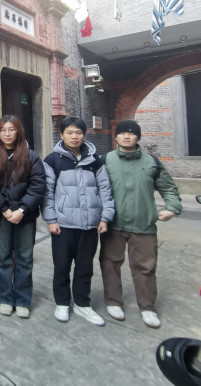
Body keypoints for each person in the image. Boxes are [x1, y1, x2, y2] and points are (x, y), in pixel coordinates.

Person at [100, 119, 182, 328]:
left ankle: (147, 307)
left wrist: (172, 208)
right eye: (122, 133)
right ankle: (113, 301)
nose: (127, 136)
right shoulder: (105, 160)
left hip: (143, 224)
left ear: (138, 137)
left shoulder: (152, 162)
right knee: (110, 264)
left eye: (132, 133)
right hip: (113, 224)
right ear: (116, 136)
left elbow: (168, 188)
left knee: (145, 268)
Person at [42, 117, 115, 326]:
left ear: (84, 135)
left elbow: (105, 189)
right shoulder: (53, 160)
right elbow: (47, 193)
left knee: (85, 267)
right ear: (61, 134)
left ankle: (82, 304)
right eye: (70, 132)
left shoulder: (94, 160)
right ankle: (62, 302)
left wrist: (105, 217)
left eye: (78, 133)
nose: (74, 137)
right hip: (63, 225)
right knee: (61, 266)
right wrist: (50, 219)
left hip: (89, 224)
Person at [0, 115, 45, 319]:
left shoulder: (31, 156)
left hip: (25, 216)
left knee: (25, 258)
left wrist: (22, 210)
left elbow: (37, 186)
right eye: (3, 130)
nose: (7, 134)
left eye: (11, 129)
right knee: (3, 258)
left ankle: (23, 300)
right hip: (2, 216)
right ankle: (6, 299)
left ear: (19, 131)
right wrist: (4, 209)